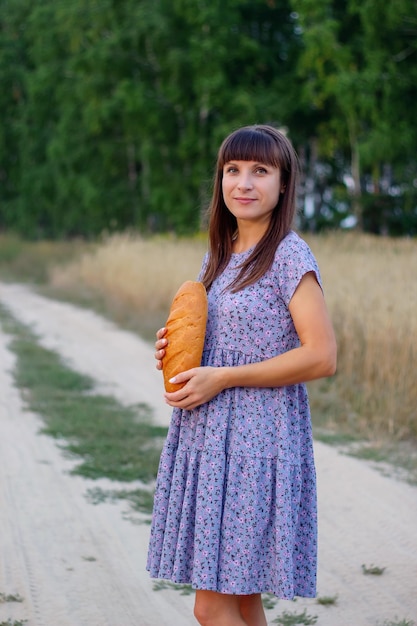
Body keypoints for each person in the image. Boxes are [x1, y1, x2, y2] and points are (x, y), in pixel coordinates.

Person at [146, 124, 337, 626]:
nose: (244, 183)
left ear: (283, 183)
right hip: (209, 438)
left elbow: (321, 356)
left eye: (260, 171)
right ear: (220, 179)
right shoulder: (219, 254)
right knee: (241, 597)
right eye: (233, 170)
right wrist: (172, 352)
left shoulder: (287, 255)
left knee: (211, 606)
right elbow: (216, 338)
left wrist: (224, 377)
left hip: (258, 441)